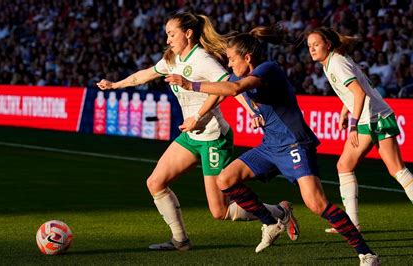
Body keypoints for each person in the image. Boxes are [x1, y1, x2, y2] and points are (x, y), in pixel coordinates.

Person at [165, 26, 380, 266]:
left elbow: (234, 89)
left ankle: (367, 254)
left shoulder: (269, 69)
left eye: (232, 59)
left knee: (316, 203)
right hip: (270, 146)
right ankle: (272, 220)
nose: (229, 64)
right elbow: (223, 92)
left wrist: (190, 84)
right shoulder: (239, 75)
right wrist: (198, 116)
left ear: (247, 58)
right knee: (225, 179)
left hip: (294, 144)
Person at [96, 12, 299, 251]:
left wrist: (252, 111)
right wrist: (115, 85)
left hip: (213, 137)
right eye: (167, 35)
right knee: (155, 182)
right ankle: (180, 240)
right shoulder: (172, 59)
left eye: (172, 34)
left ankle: (280, 211)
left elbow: (229, 86)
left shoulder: (202, 59)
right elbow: (145, 74)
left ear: (188, 33)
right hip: (191, 136)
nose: (168, 40)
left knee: (220, 211)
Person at [306, 27, 413, 238]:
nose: (311, 49)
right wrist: (343, 111)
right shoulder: (332, 62)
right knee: (390, 169)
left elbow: (358, 92)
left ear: (328, 45)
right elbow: (354, 90)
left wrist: (352, 124)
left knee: (349, 166)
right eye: (309, 46)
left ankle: (353, 224)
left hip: (372, 119)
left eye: (316, 44)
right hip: (376, 116)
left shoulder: (337, 63)